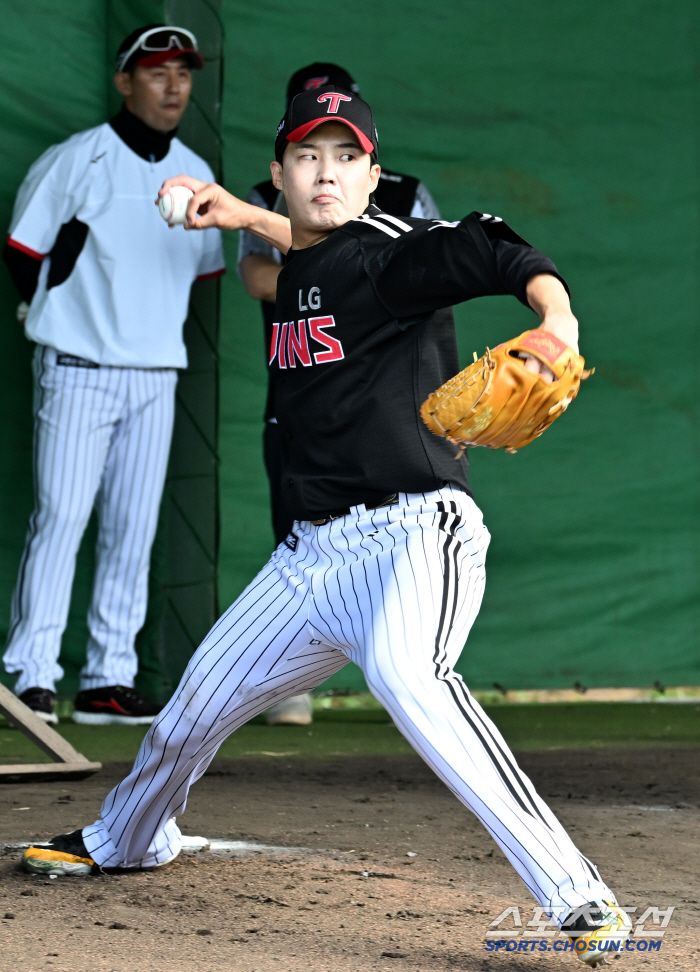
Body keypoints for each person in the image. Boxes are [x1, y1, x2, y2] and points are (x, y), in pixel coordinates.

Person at [22, 87, 627, 964]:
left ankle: (577, 897)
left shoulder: (392, 253)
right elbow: (306, 248)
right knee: (188, 713)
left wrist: (556, 319)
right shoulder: (305, 252)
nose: (328, 172)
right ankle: (127, 838)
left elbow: (492, 244)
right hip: (309, 559)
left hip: (414, 534)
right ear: (280, 174)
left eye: (348, 157)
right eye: (310, 156)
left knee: (408, 678)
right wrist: (240, 215)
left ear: (374, 175)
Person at [2, 25, 225, 726]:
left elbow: (205, 272)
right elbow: (21, 250)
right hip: (77, 367)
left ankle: (108, 676)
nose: (173, 86)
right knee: (61, 519)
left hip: (155, 372)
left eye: (183, 74)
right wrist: (47, 301)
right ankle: (31, 676)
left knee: (133, 528)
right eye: (156, 72)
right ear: (125, 80)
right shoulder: (76, 161)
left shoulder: (194, 173)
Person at [239, 62, 441, 727]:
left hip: (390, 388)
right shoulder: (273, 194)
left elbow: (430, 269)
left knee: (404, 523)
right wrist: (340, 274)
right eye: (308, 139)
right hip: (307, 381)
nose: (326, 166)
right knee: (301, 523)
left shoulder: (407, 193)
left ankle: (407, 666)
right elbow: (260, 280)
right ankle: (289, 681)